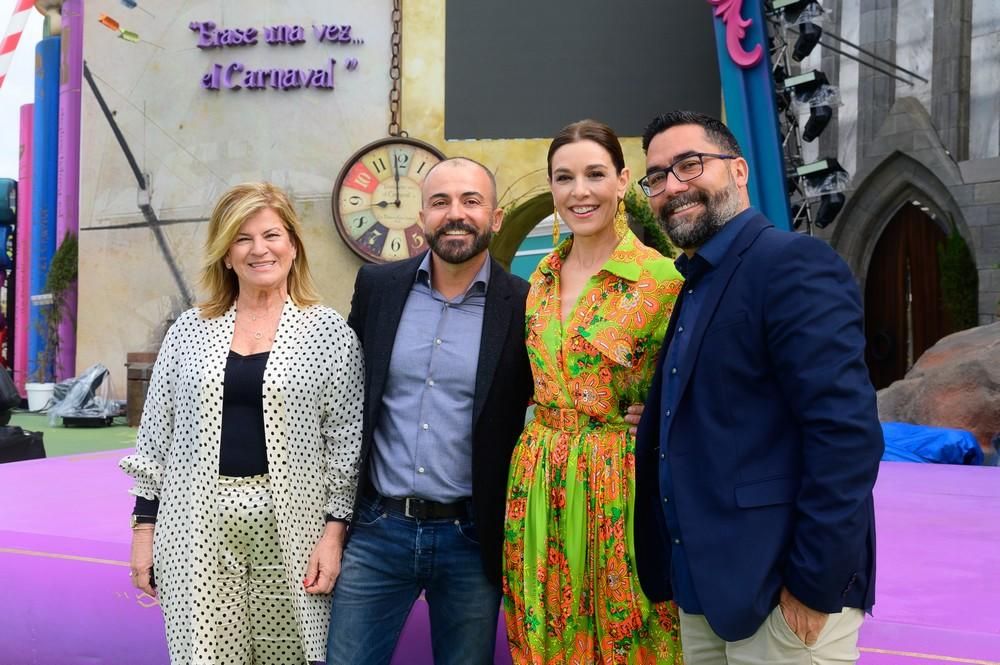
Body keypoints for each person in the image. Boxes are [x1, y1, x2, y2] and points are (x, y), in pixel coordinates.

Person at [632, 110, 884, 664]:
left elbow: (845, 435)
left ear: (740, 170)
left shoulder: (792, 264)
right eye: (656, 177)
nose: (672, 186)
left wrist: (815, 585)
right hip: (707, 587)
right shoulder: (693, 285)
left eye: (690, 165)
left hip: (782, 594)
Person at [121, 182, 364, 665]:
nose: (259, 249)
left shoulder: (329, 332)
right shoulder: (189, 330)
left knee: (291, 654)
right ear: (225, 254)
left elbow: (346, 449)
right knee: (205, 653)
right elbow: (155, 440)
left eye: (272, 235)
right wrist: (143, 533)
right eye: (242, 238)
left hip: (294, 524)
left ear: (293, 246)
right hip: (196, 523)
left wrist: (333, 537)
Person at [326, 157, 534, 665]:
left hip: (471, 536)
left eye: (471, 201)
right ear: (421, 216)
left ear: (497, 217)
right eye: (440, 202)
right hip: (377, 531)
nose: (455, 214)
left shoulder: (526, 304)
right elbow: (345, 391)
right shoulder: (377, 288)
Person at [503, 120, 684, 664]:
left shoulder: (663, 280)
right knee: (544, 633)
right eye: (564, 178)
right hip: (538, 478)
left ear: (623, 180)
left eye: (594, 174)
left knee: (631, 635)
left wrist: (657, 415)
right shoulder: (539, 278)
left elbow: (691, 383)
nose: (579, 192)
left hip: (620, 482)